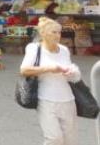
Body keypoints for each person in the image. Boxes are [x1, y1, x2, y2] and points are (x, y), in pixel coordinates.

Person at [20, 17, 81, 145]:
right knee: (54, 138)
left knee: (70, 140)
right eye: (53, 32)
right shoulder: (33, 48)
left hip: (68, 100)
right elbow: (24, 70)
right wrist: (48, 68)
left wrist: (72, 72)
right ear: (43, 33)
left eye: (59, 32)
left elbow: (71, 71)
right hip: (46, 99)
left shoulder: (63, 50)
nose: (57, 35)